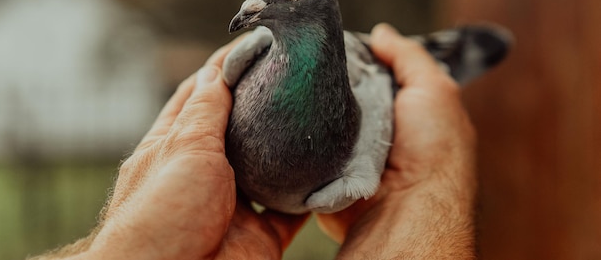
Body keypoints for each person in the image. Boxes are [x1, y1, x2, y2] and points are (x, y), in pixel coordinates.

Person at [31, 23, 478, 260]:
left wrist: (417, 188)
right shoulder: (253, 52)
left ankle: (444, 54)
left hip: (365, 74)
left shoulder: (348, 172)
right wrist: (429, 184)